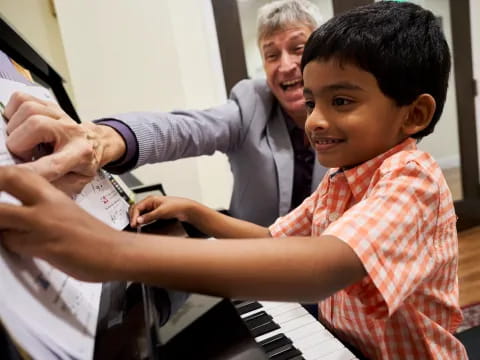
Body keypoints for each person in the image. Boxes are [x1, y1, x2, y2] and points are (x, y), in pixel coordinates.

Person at [0, 1, 467, 359]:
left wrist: (110, 252)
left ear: (415, 114)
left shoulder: (412, 178)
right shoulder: (338, 176)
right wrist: (195, 211)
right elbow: (273, 237)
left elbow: (324, 266)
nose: (316, 120)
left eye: (341, 101)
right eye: (312, 100)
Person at [3, 0, 326, 227]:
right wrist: (103, 138)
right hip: (257, 273)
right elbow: (182, 129)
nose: (284, 65)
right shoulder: (252, 101)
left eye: (297, 48)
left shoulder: (353, 113)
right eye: (271, 54)